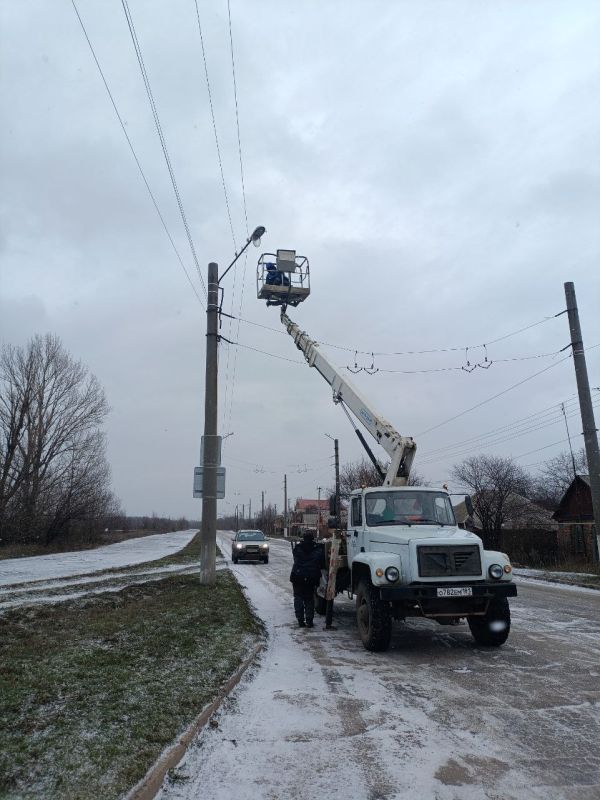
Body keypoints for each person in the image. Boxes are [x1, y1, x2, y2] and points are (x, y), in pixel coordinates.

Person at [290, 531, 325, 628]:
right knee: (309, 599)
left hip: (297, 576)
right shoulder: (318, 549)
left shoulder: (298, 548)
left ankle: (300, 620)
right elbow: (322, 564)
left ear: (303, 538)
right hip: (311, 578)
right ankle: (309, 621)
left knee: (298, 597)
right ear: (313, 538)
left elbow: (295, 558)